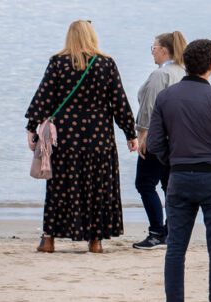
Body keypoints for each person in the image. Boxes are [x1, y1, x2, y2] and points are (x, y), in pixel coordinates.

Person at [144, 38, 211, 302]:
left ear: (186, 64)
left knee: (175, 248)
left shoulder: (167, 98)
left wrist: (174, 160)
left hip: (181, 176)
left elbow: (156, 144)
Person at [26, 20, 137, 254]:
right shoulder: (106, 64)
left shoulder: (58, 63)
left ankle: (48, 239)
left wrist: (32, 128)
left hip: (65, 137)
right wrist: (130, 132)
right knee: (98, 185)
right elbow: (119, 101)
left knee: (60, 186)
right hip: (98, 136)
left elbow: (44, 96)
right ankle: (95, 241)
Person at [132, 31, 187, 250]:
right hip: (177, 138)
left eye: (153, 48)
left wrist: (142, 134)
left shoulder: (160, 75)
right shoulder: (183, 72)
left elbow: (149, 106)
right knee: (169, 185)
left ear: (164, 50)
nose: (152, 52)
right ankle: (172, 229)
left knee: (145, 183)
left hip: (157, 136)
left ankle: (157, 232)